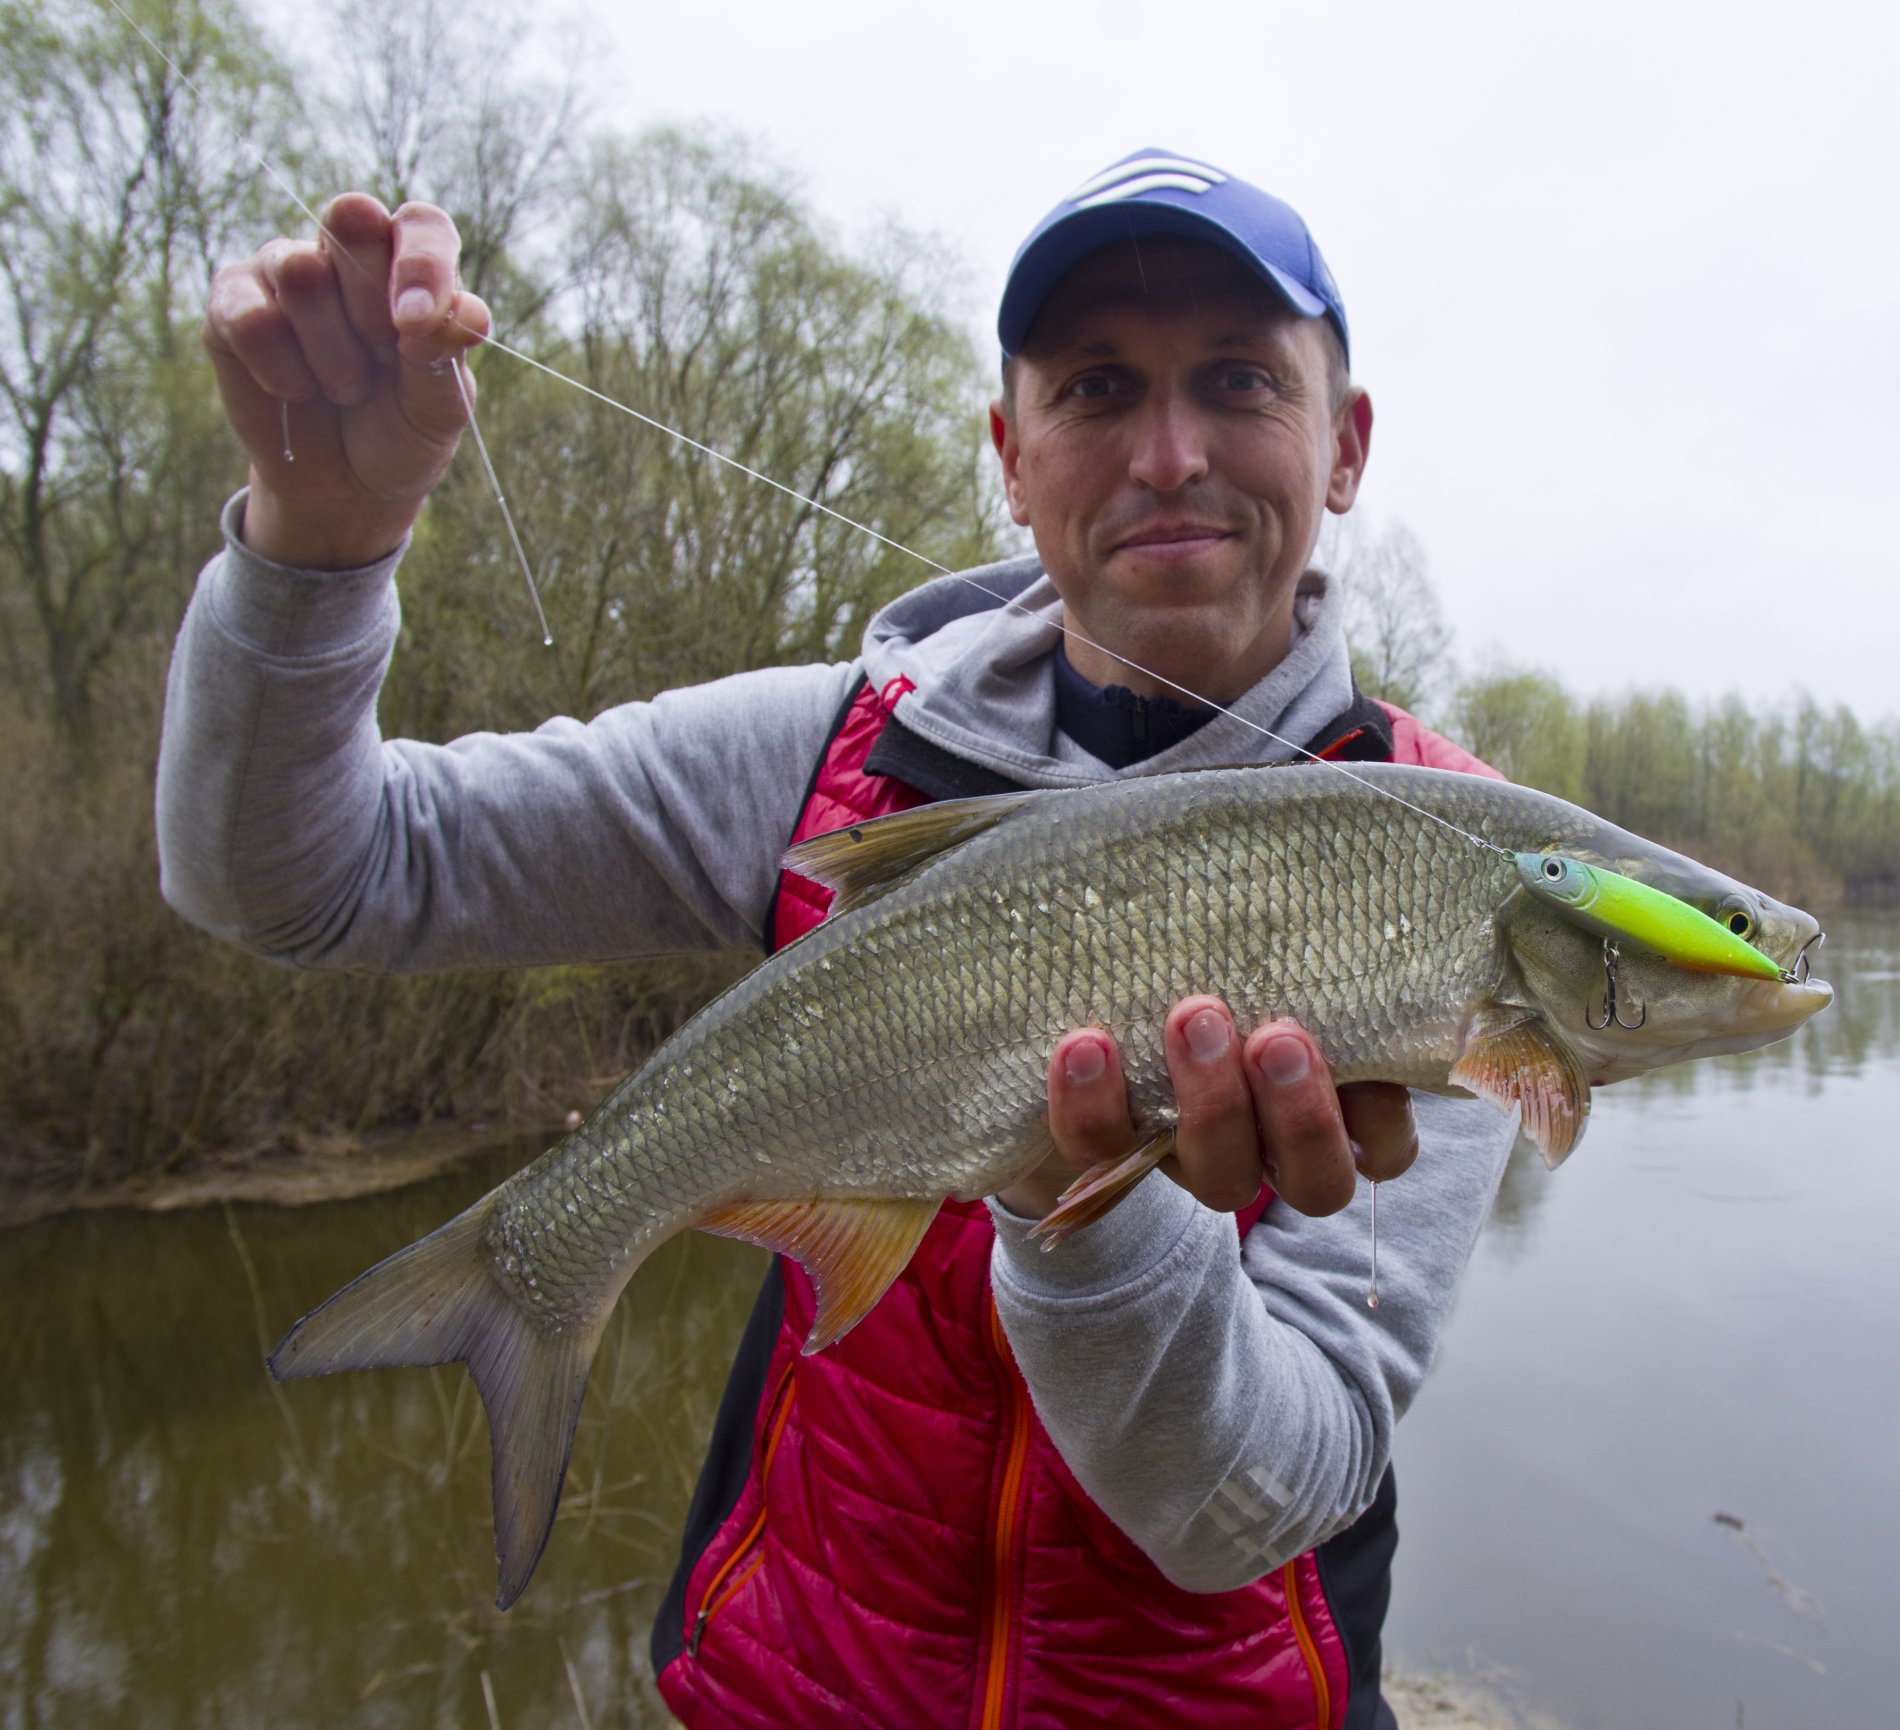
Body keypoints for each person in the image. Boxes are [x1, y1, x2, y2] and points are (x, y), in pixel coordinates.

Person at [161, 147, 1514, 1729]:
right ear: (1011, 458)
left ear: (1344, 443)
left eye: (1237, 379)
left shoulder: (1460, 871)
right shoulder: (823, 752)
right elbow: (303, 877)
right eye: (1095, 387)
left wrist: (1081, 1212)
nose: (1168, 453)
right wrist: (317, 542)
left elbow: (1247, 1511)